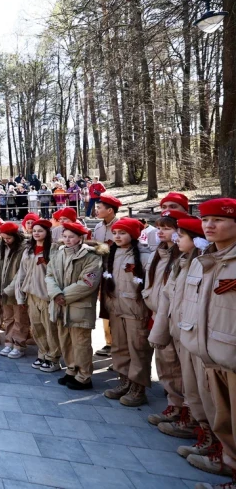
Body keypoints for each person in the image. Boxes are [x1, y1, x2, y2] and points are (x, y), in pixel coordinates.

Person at [179, 198, 236, 484]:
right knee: (222, 418)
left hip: (232, 354)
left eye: (219, 220)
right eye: (206, 220)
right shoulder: (205, 260)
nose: (210, 225)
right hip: (209, 351)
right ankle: (228, 461)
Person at [160, 218, 222, 461]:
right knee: (192, 386)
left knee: (209, 395)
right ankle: (200, 430)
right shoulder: (184, 262)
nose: (176, 239)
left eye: (181, 235)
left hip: (205, 340)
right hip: (183, 331)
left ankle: (217, 446)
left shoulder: (203, 263)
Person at [45, 221, 106, 390]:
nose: (67, 240)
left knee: (81, 343)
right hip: (60, 305)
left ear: (81, 238)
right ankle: (71, 369)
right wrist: (55, 293)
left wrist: (63, 296)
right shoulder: (59, 253)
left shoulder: (92, 256)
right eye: (64, 236)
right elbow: (49, 274)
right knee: (66, 340)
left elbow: (88, 282)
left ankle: (84, 375)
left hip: (79, 306)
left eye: (71, 237)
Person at [101, 218, 152, 406]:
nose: (117, 236)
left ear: (133, 235)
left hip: (136, 312)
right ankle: (124, 381)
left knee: (138, 349)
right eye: (115, 233)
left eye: (122, 233)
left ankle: (138, 388)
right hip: (116, 310)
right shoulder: (112, 255)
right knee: (119, 348)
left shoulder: (146, 257)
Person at [142, 209, 186, 425]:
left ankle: (181, 408)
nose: (160, 232)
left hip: (173, 318)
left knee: (174, 364)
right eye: (159, 228)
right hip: (156, 314)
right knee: (164, 363)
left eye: (167, 228)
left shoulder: (183, 257)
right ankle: (173, 403)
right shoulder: (157, 253)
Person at [15, 219, 60, 372]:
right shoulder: (28, 250)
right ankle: (42, 353)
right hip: (31, 294)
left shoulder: (54, 250)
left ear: (47, 232)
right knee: (36, 327)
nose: (36, 233)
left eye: (40, 231)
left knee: (50, 328)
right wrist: (20, 293)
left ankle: (53, 358)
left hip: (46, 295)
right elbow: (21, 272)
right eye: (34, 231)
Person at [0, 222, 28, 359]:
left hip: (17, 290)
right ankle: (9, 341)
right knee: (8, 318)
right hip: (2, 289)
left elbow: (22, 273)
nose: (6, 241)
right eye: (3, 238)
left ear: (15, 236)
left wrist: (9, 290)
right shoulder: (0, 247)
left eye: (8, 238)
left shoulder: (24, 249)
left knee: (20, 319)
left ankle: (19, 345)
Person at [92, 194, 122, 358]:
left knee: (116, 306)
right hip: (102, 271)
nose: (96, 211)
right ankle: (109, 342)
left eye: (99, 208)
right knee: (105, 307)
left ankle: (119, 343)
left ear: (110, 210)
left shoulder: (121, 225)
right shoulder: (98, 227)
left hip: (117, 272)